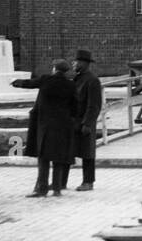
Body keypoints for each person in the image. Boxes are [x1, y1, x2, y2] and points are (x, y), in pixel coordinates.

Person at [11, 59, 77, 196]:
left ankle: (42, 189)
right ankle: (57, 189)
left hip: (46, 125)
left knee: (44, 158)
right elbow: (75, 106)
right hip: (63, 126)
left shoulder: (46, 80)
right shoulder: (71, 85)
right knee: (58, 157)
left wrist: (15, 82)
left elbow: (30, 83)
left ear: (55, 69)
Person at [72, 47, 103, 191]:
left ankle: (88, 181)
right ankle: (61, 181)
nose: (74, 63)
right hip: (74, 121)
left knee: (87, 153)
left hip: (85, 122)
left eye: (77, 61)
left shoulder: (92, 80)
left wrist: (88, 123)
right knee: (69, 151)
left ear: (84, 63)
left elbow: (94, 105)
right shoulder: (77, 78)